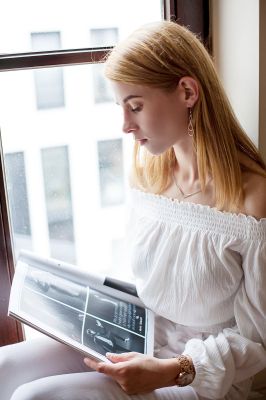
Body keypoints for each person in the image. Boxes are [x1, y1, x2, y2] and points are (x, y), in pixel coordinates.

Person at [1, 20, 266, 400]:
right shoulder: (150, 175)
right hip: (138, 335)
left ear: (187, 92)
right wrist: (77, 312)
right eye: (120, 107)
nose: (125, 125)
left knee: (33, 396)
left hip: (200, 375)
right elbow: (151, 284)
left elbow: (257, 339)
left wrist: (174, 371)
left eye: (136, 106)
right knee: (6, 368)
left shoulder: (252, 199)